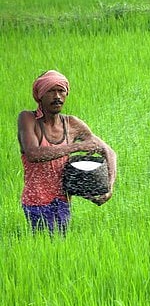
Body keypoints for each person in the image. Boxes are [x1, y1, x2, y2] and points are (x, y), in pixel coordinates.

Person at [18, 70, 117, 234]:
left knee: (60, 248)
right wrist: (76, 147)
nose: (57, 96)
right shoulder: (28, 119)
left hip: (63, 201)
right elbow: (33, 153)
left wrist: (109, 186)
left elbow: (109, 152)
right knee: (42, 249)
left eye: (61, 91)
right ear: (40, 95)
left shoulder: (72, 124)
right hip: (35, 203)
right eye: (51, 91)